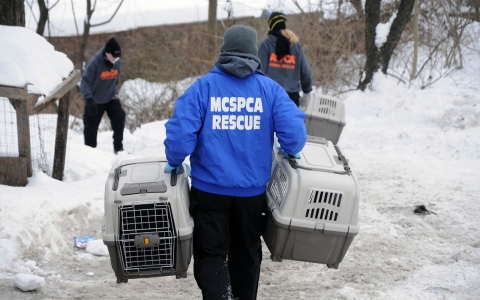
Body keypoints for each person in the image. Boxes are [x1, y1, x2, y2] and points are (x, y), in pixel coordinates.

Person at [164, 25, 307, 300]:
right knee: (246, 255)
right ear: (255, 54)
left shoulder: (203, 87)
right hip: (251, 195)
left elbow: (180, 134)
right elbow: (295, 134)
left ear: (223, 52)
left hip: (209, 193)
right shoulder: (270, 90)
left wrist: (174, 160)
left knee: (211, 254)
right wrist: (291, 149)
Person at [80, 37, 125, 154]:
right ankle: (90, 152)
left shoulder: (117, 62)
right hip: (94, 100)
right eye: (113, 56)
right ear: (107, 53)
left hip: (110, 98)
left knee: (120, 116)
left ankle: (118, 148)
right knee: (90, 129)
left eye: (117, 57)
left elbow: (116, 79)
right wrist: (88, 98)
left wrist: (114, 92)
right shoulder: (94, 63)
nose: (116, 59)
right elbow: (84, 82)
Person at [258, 12, 313, 107]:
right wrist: (307, 90)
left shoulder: (265, 45)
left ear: (270, 25)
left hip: (270, 98)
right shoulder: (295, 45)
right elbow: (306, 71)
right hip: (292, 99)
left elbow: (259, 72)